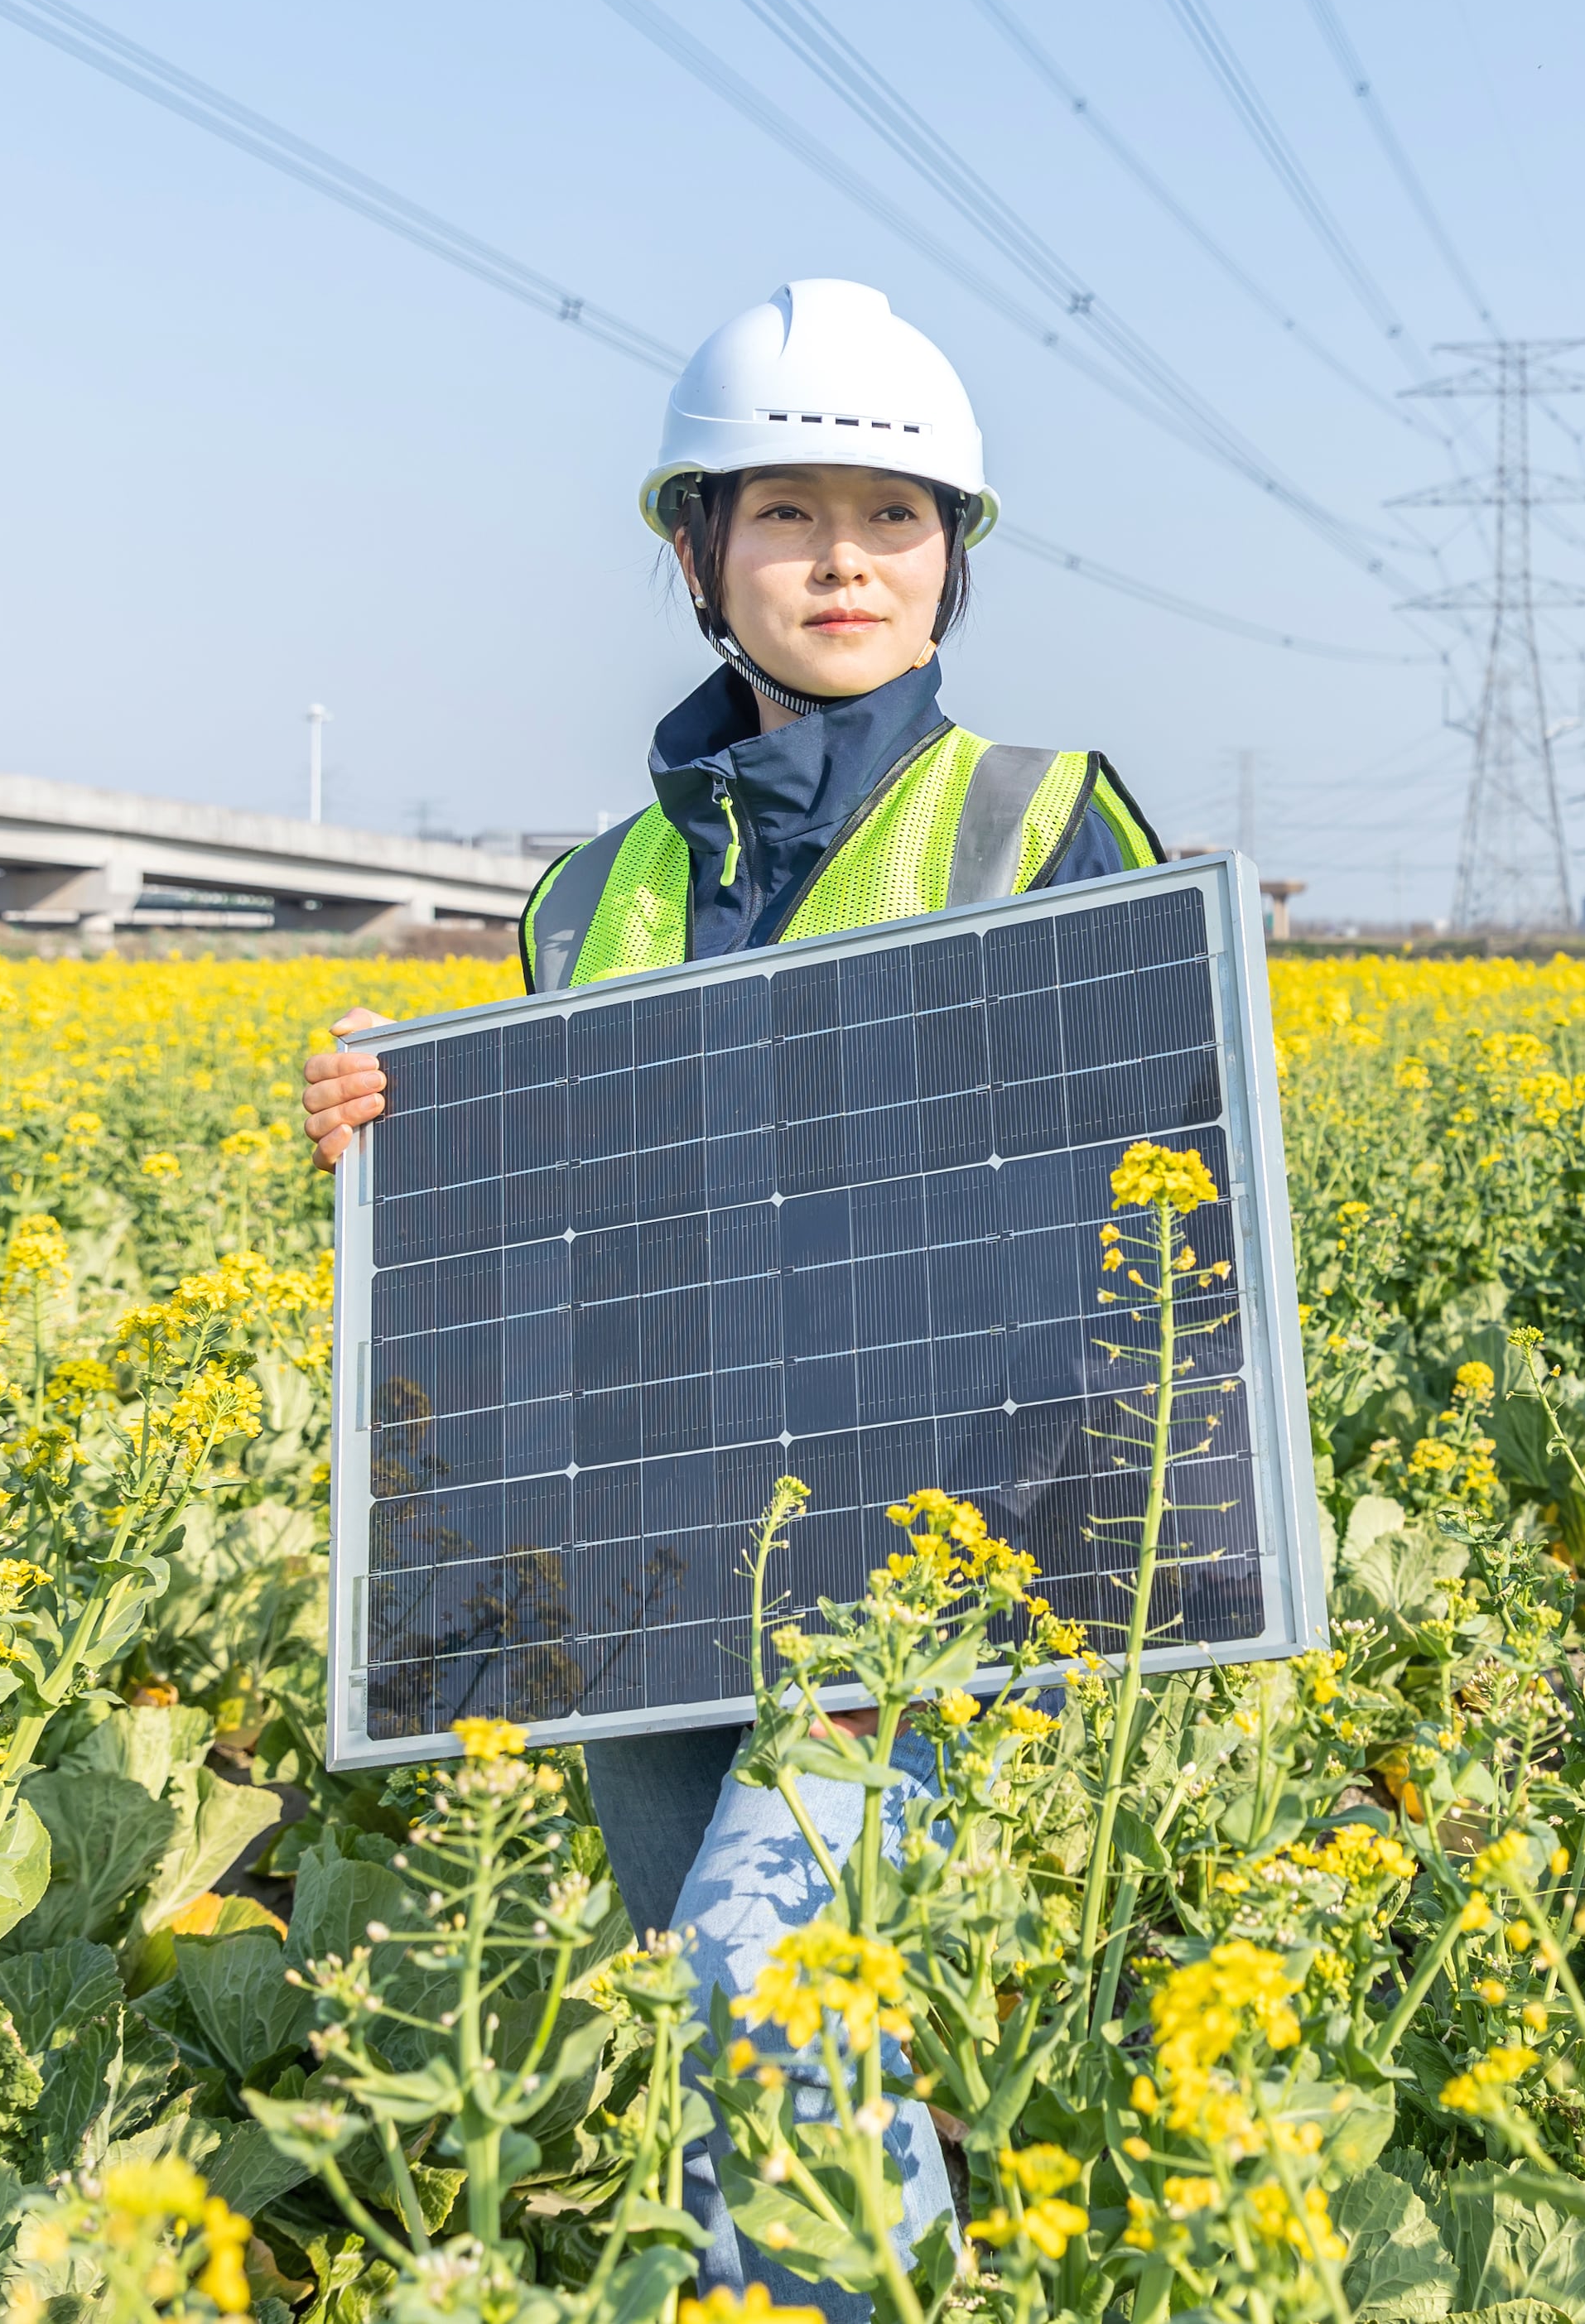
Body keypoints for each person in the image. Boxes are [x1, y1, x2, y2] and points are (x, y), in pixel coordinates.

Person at [298, 278, 1162, 2317]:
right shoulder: (586, 891)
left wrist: (968, 1575)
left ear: (956, 557)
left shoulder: (1043, 821)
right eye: (785, 514)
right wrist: (385, 1149)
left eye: (895, 517)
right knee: (767, 2036)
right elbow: (540, 1250)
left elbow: (1140, 1195)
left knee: (764, 1987)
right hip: (653, 1561)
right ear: (699, 555)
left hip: (931, 1552)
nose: (842, 560)